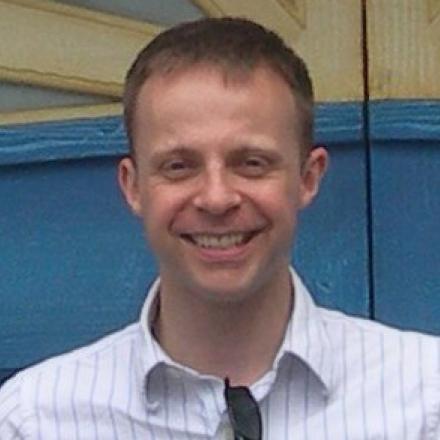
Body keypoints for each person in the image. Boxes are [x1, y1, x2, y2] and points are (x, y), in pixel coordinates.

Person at [0, 17, 439, 440]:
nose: (216, 198)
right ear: (133, 187)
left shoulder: (424, 403)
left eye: (251, 163)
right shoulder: (35, 421)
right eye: (179, 166)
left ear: (309, 178)